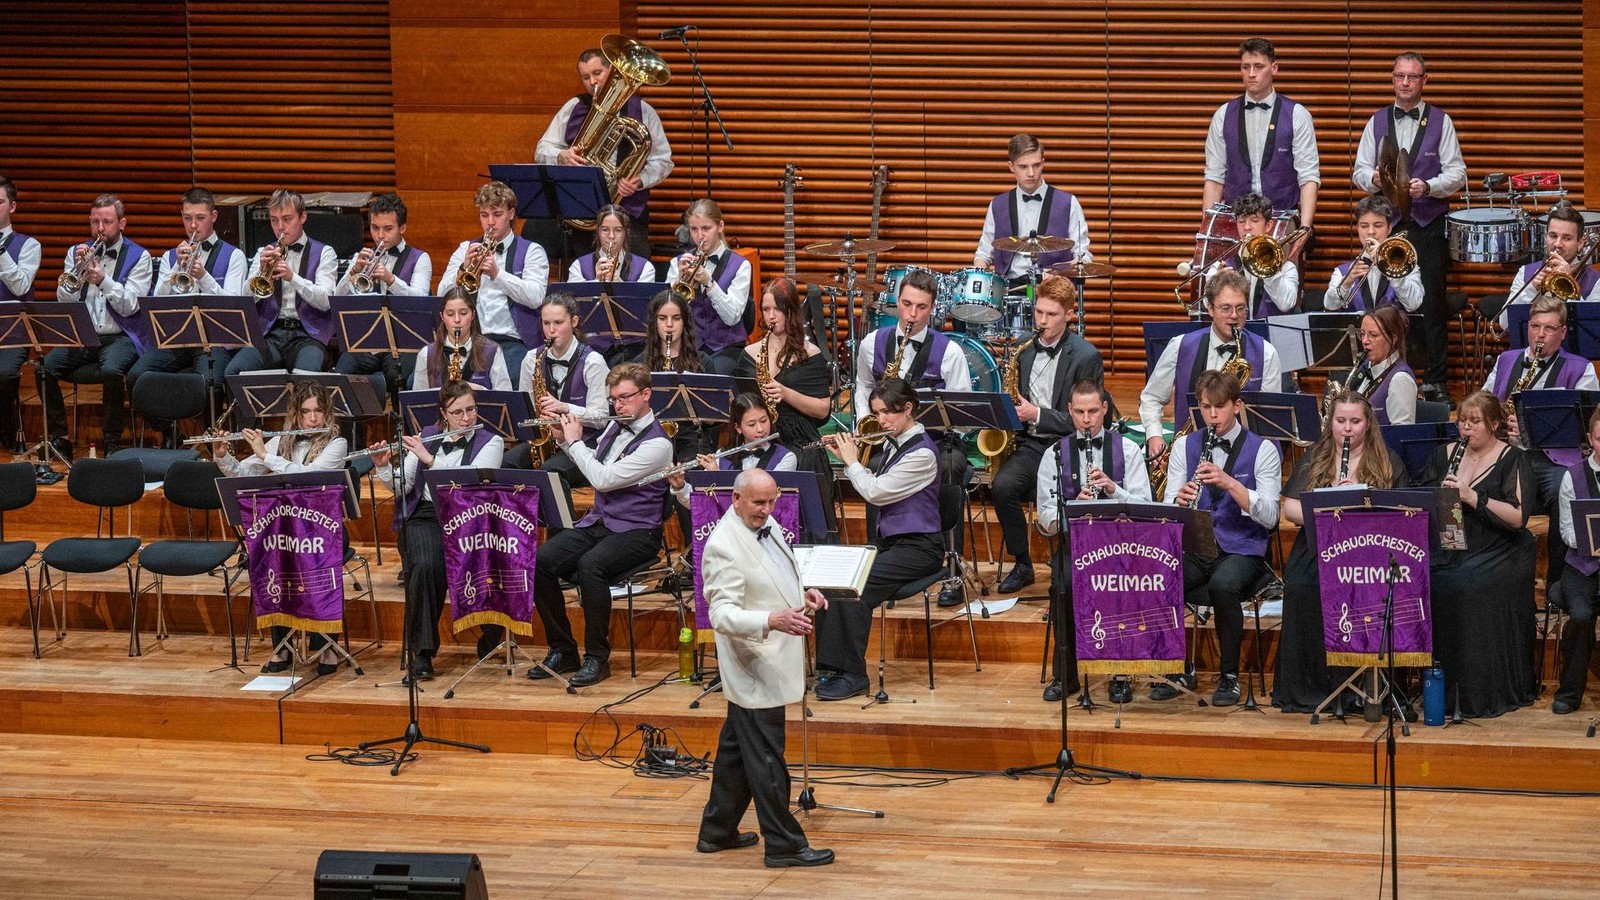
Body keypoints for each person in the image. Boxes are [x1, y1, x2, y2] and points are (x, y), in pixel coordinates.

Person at [695, 468, 834, 869]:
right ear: (735, 498)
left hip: (769, 660)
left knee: (737, 752)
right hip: (754, 662)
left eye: (772, 501)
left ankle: (716, 831)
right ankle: (784, 846)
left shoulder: (765, 523)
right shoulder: (723, 545)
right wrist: (771, 620)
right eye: (758, 502)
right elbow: (720, 614)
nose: (767, 510)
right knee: (768, 761)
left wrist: (800, 590)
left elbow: (773, 573)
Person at [530, 363, 671, 688]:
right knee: (540, 562)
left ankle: (597, 657)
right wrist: (566, 441)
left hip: (639, 531)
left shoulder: (658, 445)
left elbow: (604, 479)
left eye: (625, 398)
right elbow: (597, 459)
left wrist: (576, 443)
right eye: (614, 400)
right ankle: (564, 649)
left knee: (591, 565)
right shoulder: (616, 427)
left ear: (646, 394)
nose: (618, 406)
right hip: (601, 521)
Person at [1272, 391, 1406, 713]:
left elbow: (1399, 513)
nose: (1347, 429)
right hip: (1320, 543)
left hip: (1367, 549)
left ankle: (1360, 686)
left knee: (1361, 591)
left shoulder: (1387, 460)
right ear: (1330, 422)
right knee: (1302, 587)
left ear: (1368, 424)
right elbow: (1290, 508)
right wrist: (1329, 501)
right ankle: (1312, 687)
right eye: (1340, 421)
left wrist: (1358, 503)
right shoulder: (1317, 455)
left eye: (1355, 421)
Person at [813, 378, 944, 702]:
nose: (881, 420)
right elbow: (878, 483)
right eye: (877, 412)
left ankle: (854, 674)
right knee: (834, 576)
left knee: (856, 587)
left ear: (908, 409)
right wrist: (855, 458)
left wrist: (852, 461)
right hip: (893, 544)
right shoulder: (894, 443)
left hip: (920, 546)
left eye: (887, 412)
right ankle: (832, 666)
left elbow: (877, 492)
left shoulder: (923, 453)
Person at [1156, 370, 1282, 706]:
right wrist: (1178, 501)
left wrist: (1230, 483)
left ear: (1237, 405)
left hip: (1243, 548)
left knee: (1223, 585)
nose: (1213, 415)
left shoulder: (1263, 449)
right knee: (1163, 578)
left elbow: (1270, 516)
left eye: (1220, 407)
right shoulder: (1185, 445)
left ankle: (1229, 676)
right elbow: (1168, 505)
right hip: (1198, 546)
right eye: (1206, 407)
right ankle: (1178, 667)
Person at [370, 381, 505, 680]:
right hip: (428, 516)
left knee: (479, 559)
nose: (467, 418)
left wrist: (428, 458)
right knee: (426, 565)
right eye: (458, 412)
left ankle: (492, 630)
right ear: (444, 414)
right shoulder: (429, 436)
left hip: (472, 518)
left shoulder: (490, 442)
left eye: (471, 409)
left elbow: (470, 483)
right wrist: (382, 467)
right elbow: (402, 485)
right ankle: (422, 653)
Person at [1352, 51, 1468, 400]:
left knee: (1430, 303)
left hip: (1427, 223)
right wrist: (1372, 178)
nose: (1405, 82)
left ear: (1424, 81)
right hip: (1385, 226)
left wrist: (1429, 186)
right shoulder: (1376, 121)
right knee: (1381, 302)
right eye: (1400, 76)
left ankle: (1434, 382)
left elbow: (1458, 173)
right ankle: (1379, 377)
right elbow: (1358, 172)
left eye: (1413, 77)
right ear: (1392, 79)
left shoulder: (1440, 121)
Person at [216, 381, 350, 676]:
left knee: (316, 569)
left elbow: (308, 476)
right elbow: (243, 473)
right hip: (283, 529)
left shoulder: (337, 444)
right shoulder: (281, 442)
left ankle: (327, 646)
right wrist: (223, 454)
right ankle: (283, 647)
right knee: (268, 563)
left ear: (328, 414)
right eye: (306, 412)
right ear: (296, 415)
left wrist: (265, 456)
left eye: (318, 411)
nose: (313, 419)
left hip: (322, 531)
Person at [1422, 390, 1537, 719]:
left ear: (1495, 424)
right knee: (1428, 576)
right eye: (1462, 421)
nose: (1467, 428)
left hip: (1501, 548)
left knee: (1466, 584)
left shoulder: (1514, 459)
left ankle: (1477, 693)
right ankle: (1436, 686)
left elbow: (1518, 517)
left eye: (1475, 422)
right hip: (1452, 542)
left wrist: (1472, 497)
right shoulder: (1445, 454)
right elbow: (1421, 500)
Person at [1035, 379, 1151, 702]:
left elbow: (1146, 507)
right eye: (1080, 413)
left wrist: (1114, 490)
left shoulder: (1128, 450)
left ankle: (1120, 673)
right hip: (1077, 545)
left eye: (1093, 412)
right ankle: (1066, 674)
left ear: (1104, 409)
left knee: (1118, 584)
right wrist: (1074, 510)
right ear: (1070, 412)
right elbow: (1046, 516)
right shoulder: (1054, 455)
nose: (1087, 420)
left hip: (1122, 546)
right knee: (1062, 584)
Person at [992, 275, 1104, 594]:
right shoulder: (1024, 353)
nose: (1042, 321)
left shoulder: (1086, 356)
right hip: (1031, 446)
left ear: (1070, 314)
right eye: (1038, 312)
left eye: (1051, 314)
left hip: (1072, 447)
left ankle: (1070, 563)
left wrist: (1037, 414)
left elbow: (1086, 421)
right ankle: (1023, 563)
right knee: (1002, 486)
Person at [1484, 294, 1599, 590]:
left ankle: (1557, 585)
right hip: (1507, 454)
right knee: (1479, 490)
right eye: (1535, 326)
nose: (1540, 334)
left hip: (1553, 460)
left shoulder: (1580, 367)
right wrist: (1496, 417)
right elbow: (1483, 405)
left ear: (1562, 332)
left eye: (1549, 328)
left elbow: (1588, 424)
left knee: (1568, 486)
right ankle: (1495, 577)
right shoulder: (1506, 360)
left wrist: (1532, 429)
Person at [40, 194, 154, 458]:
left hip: (121, 335)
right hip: (84, 335)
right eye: (95, 222)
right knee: (43, 368)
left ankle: (111, 440)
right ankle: (61, 438)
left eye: (107, 222)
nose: (100, 229)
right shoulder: (75, 252)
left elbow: (131, 306)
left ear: (122, 223)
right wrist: (78, 273)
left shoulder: (140, 256)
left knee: (112, 370)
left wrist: (103, 279)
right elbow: (64, 299)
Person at [534, 48, 673, 258]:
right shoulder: (574, 106)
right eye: (585, 77)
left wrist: (640, 179)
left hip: (627, 213)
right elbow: (542, 149)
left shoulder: (643, 111)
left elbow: (663, 161)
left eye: (597, 73)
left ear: (612, 70)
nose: (592, 81)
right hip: (581, 210)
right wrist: (561, 156)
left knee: (635, 265)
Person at [1139, 269, 1282, 464]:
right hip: (1189, 454)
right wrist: (1154, 435)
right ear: (1210, 308)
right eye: (1226, 308)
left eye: (1241, 308)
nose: (1234, 316)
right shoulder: (1180, 345)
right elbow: (1151, 397)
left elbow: (1270, 420)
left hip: (1245, 458)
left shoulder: (1266, 352)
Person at [142, 187, 248, 444]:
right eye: (187, 217)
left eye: (200, 218)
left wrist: (205, 277)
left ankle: (214, 444)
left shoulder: (234, 256)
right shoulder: (170, 257)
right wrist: (174, 271)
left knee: (210, 383)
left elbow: (233, 305)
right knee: (138, 377)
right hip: (179, 339)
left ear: (213, 216)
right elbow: (156, 302)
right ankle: (170, 433)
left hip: (215, 340)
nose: (193, 225)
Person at [734, 277, 834, 535]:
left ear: (791, 311)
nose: (771, 316)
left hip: (799, 440)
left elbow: (823, 410)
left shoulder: (810, 355)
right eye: (766, 310)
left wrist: (786, 393)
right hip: (762, 437)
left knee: (807, 459)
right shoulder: (751, 354)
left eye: (777, 309)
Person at [1203, 37, 1321, 231]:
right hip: (1237, 223)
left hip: (1283, 220)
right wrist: (1208, 229)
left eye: (1258, 66)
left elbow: (1308, 176)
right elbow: (1214, 178)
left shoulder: (1298, 114)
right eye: (1245, 67)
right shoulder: (1223, 114)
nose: (1251, 74)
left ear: (1274, 68)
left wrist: (1305, 228)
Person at [437, 181, 550, 379]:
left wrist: (498, 274)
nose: (490, 222)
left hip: (513, 342)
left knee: (513, 379)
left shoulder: (532, 251)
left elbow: (536, 297)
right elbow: (441, 295)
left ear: (511, 213)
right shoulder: (465, 248)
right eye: (484, 215)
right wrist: (462, 270)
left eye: (497, 214)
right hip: (470, 340)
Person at [333, 192, 434, 402]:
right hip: (368, 341)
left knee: (399, 376)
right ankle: (352, 433)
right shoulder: (361, 257)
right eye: (375, 228)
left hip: (404, 342)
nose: (380, 236)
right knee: (343, 371)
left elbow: (420, 300)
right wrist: (353, 272)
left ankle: (403, 433)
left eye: (388, 229)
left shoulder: (420, 259)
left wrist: (391, 280)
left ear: (402, 228)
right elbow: (337, 299)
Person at [507, 292, 609, 499]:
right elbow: (525, 410)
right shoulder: (531, 359)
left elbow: (602, 417)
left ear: (574, 321)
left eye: (558, 323)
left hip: (583, 443)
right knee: (505, 465)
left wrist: (565, 408)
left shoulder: (594, 362)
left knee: (549, 473)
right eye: (546, 323)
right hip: (546, 440)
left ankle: (560, 530)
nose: (551, 330)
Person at [853, 268, 972, 417]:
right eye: (907, 304)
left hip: (931, 437)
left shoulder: (951, 352)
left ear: (932, 308)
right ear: (897, 301)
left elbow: (961, 409)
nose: (913, 314)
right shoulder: (870, 343)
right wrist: (863, 423)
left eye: (921, 307)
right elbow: (864, 385)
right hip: (881, 434)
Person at [973, 134, 1092, 279]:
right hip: (1008, 289)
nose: (1031, 173)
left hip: (1053, 288)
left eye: (1036, 165)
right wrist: (976, 278)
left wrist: (1061, 273)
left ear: (1043, 163)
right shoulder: (997, 204)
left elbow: (1082, 255)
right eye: (1023, 167)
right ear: (1011, 167)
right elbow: (984, 253)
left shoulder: (1069, 203)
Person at [664, 199, 753, 376]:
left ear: (720, 226)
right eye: (694, 229)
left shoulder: (741, 265)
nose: (700, 236)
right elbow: (667, 314)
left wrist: (710, 283)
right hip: (689, 347)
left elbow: (732, 317)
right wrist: (677, 282)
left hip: (727, 349)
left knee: (709, 375)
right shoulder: (677, 263)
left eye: (706, 228)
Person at [668, 391, 799, 506]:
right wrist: (681, 487)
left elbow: (761, 501)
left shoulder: (785, 458)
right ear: (738, 428)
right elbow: (703, 506)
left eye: (764, 421)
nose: (760, 429)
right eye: (752, 424)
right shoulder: (721, 456)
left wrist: (719, 477)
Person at [1554, 406, 1600, 714]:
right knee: (1582, 617)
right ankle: (1570, 692)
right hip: (1582, 567)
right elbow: (1568, 533)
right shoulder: (1572, 477)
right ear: (1590, 439)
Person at [1497, 202, 1600, 331]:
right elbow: (1505, 324)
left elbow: (1594, 329)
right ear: (1546, 237)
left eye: (1566, 238)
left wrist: (1569, 285)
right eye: (1553, 236)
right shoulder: (1525, 273)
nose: (1557, 244)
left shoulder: (1596, 281)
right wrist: (1531, 289)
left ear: (1580, 243)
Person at [0, 176, 43, 449]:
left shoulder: (28, 245)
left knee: (4, 375)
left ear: (12, 207)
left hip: (12, 333)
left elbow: (20, 286)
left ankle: (7, 433)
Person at [1323, 195, 1424, 313]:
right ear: (1358, 229)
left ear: (1389, 228)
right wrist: (1346, 282)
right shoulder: (1342, 271)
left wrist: (1389, 267)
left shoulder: (1407, 267)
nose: (1371, 232)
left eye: (1378, 225)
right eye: (1364, 226)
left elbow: (1413, 304)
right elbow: (1330, 306)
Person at [411, 287, 512, 392]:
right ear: (442, 317)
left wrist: (479, 390)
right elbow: (419, 401)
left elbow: (506, 398)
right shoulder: (426, 355)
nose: (457, 320)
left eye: (463, 313)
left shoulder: (492, 351)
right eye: (450, 314)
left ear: (473, 315)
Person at [1347, 306, 1417, 427]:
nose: (1365, 341)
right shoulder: (1364, 368)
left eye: (1373, 335)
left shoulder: (1400, 380)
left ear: (1393, 339)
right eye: (1362, 334)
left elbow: (1400, 435)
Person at [566, 204, 657, 284]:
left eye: (618, 230)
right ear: (598, 232)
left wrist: (618, 283)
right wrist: (596, 282)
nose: (611, 236)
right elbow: (573, 301)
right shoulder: (578, 266)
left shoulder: (645, 268)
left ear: (625, 233)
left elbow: (643, 302)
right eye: (605, 229)